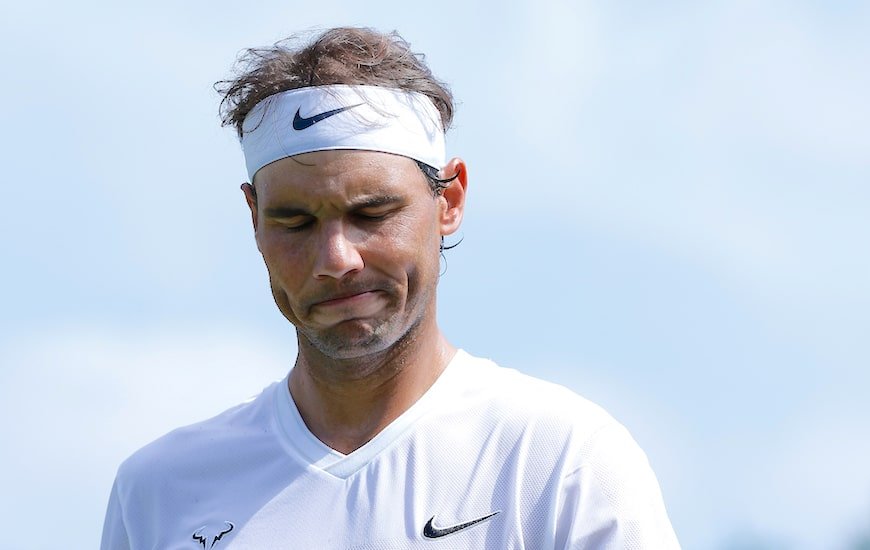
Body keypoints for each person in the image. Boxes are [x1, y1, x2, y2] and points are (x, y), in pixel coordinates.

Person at [100, 27, 680, 549]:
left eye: (372, 213)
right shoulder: (160, 491)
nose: (336, 259)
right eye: (295, 222)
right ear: (254, 219)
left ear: (448, 200)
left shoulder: (558, 461)